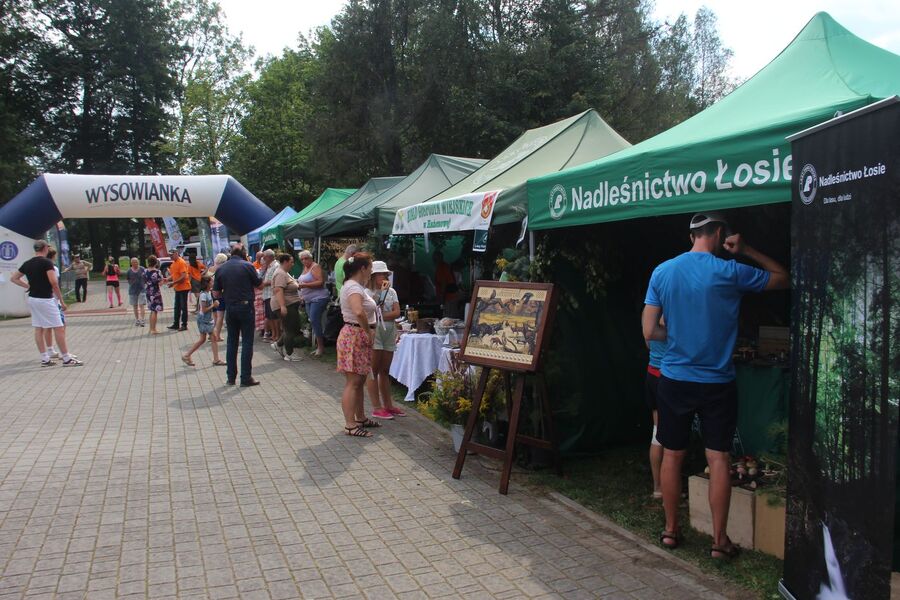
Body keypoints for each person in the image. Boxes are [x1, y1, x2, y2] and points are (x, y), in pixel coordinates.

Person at [642, 211, 789, 559]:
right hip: (717, 382)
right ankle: (719, 541)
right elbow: (782, 278)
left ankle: (671, 530)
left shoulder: (663, 271)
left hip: (674, 378)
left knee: (672, 454)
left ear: (692, 236)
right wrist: (747, 249)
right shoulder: (730, 270)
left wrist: (676, 335)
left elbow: (649, 331)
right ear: (720, 233)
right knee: (718, 457)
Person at [10, 240, 83, 366]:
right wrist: (61, 300)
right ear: (45, 248)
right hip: (46, 299)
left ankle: (45, 358)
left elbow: (14, 278)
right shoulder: (47, 263)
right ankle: (66, 358)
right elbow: (53, 283)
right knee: (59, 327)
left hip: (33, 298)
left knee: (39, 328)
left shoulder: (28, 263)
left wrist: (28, 286)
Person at [337, 252, 378, 437]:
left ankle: (360, 418)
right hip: (355, 335)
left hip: (356, 335)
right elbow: (358, 311)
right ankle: (350, 424)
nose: (371, 271)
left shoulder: (355, 286)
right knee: (353, 382)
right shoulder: (353, 287)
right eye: (370, 267)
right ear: (363, 268)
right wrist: (368, 331)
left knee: (359, 381)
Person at [214, 244, 262, 386]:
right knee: (247, 342)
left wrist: (228, 293)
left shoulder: (221, 268)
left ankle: (231, 378)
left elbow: (216, 293)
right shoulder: (248, 266)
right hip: (246, 307)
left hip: (230, 308)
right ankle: (245, 378)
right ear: (244, 253)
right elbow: (259, 285)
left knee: (231, 342)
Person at [366, 261, 404, 420]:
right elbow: (373, 313)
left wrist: (382, 315)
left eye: (386, 274)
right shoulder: (367, 292)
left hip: (389, 330)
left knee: (385, 370)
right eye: (381, 274)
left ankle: (388, 405)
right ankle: (377, 407)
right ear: (373, 276)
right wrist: (380, 308)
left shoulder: (391, 291)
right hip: (376, 330)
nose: (384, 277)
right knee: (373, 370)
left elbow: (397, 312)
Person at [182, 275, 224, 367]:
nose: (213, 283)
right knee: (210, 338)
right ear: (207, 284)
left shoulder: (208, 293)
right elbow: (204, 310)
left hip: (206, 319)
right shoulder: (204, 295)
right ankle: (215, 359)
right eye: (211, 282)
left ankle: (187, 355)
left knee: (206, 339)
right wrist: (213, 305)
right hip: (204, 319)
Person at [645, 326, 666, 500]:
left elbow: (648, 342)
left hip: (653, 371)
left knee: (657, 432)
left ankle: (658, 487)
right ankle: (666, 488)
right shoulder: (669, 313)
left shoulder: (648, 314)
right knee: (670, 436)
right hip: (668, 375)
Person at [297, 250, 329, 357]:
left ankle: (321, 347)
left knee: (314, 320)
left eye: (306, 258)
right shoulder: (305, 268)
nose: (304, 261)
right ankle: (318, 344)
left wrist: (305, 285)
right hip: (308, 299)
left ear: (311, 258)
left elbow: (320, 282)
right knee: (313, 321)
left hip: (318, 298)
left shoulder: (315, 267)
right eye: (302, 259)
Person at [271, 254, 302, 362]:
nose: (292, 264)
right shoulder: (280, 273)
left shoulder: (284, 273)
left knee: (293, 327)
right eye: (291, 262)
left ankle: (278, 344)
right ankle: (289, 354)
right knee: (290, 329)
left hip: (290, 304)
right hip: (286, 305)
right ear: (285, 262)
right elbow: (278, 290)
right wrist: (282, 306)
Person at [166, 248, 190, 331]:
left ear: (176, 253)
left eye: (171, 255)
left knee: (183, 307)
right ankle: (176, 324)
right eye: (169, 255)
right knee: (177, 307)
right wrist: (167, 279)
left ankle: (184, 325)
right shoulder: (173, 264)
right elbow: (174, 275)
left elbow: (183, 277)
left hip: (184, 288)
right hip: (178, 288)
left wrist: (173, 283)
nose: (170, 256)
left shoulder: (181, 262)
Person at [259, 249, 279, 342]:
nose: (263, 259)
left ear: (269, 257)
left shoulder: (276, 266)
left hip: (272, 295)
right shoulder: (269, 266)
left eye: (264, 257)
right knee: (270, 316)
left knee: (274, 317)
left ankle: (277, 335)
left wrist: (264, 283)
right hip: (267, 295)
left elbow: (276, 280)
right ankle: (274, 334)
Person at [143, 255, 165, 334]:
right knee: (154, 311)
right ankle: (153, 329)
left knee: (152, 310)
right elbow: (161, 283)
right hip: (155, 292)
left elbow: (144, 281)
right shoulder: (157, 272)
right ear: (156, 262)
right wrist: (163, 280)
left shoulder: (145, 271)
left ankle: (150, 328)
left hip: (148, 292)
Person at [209, 253, 228, 342]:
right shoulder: (223, 269)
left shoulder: (211, 269)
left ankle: (214, 334)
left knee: (216, 316)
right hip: (221, 294)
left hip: (213, 293)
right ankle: (216, 335)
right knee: (220, 316)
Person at [126, 257, 147, 327]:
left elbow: (146, 277)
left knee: (141, 305)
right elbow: (128, 280)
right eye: (134, 262)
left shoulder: (142, 269)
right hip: (132, 290)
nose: (135, 263)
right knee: (135, 306)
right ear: (131, 263)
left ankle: (142, 320)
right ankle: (137, 320)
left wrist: (144, 284)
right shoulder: (129, 271)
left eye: (136, 262)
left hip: (142, 290)